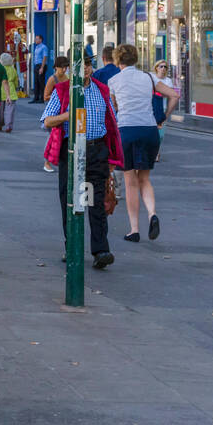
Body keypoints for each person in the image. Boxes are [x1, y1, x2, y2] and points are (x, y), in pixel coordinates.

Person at [41, 59, 124, 269]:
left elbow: (111, 123)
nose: (85, 69)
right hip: (71, 151)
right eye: (80, 65)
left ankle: (101, 250)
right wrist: (67, 115)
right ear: (70, 68)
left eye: (87, 64)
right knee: (71, 200)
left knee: (96, 200)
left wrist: (112, 157)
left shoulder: (101, 90)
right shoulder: (63, 90)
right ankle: (73, 247)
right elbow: (46, 121)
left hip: (97, 150)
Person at [109, 44, 178, 243]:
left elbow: (114, 107)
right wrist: (164, 116)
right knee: (145, 179)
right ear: (136, 59)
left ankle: (134, 229)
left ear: (117, 60)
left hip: (127, 130)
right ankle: (152, 213)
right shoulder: (149, 77)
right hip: (149, 130)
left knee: (130, 182)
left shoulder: (114, 80)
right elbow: (174, 95)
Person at [41, 56, 71, 172]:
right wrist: (58, 96)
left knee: (60, 136)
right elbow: (45, 96)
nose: (64, 70)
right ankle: (47, 162)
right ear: (56, 67)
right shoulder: (52, 79)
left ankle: (55, 159)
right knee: (51, 136)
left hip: (64, 110)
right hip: (54, 111)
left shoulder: (67, 77)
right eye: (62, 68)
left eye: (66, 67)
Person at [151, 60, 179, 163]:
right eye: (161, 66)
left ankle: (156, 151)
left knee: (160, 134)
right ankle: (153, 152)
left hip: (162, 109)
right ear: (156, 67)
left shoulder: (168, 81)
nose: (163, 69)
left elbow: (170, 95)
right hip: (151, 108)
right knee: (151, 131)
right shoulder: (152, 77)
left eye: (165, 67)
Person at [0, 52, 20, 133]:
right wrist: (15, 87)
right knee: (10, 111)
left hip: (1, 89)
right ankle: (9, 126)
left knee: (0, 110)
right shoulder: (12, 69)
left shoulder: (0, 69)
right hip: (11, 91)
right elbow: (15, 81)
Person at [28, 35, 49, 103]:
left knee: (41, 82)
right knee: (36, 82)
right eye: (35, 39)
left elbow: (45, 57)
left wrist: (42, 68)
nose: (35, 40)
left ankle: (42, 98)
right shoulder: (36, 47)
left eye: (37, 39)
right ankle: (36, 98)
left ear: (40, 40)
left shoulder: (44, 47)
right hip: (36, 65)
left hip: (41, 65)